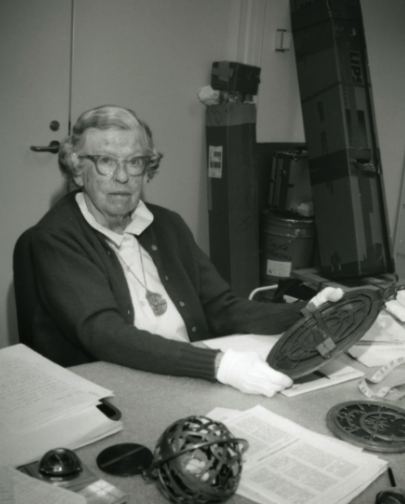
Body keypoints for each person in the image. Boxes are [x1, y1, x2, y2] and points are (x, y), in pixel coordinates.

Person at [15, 105, 343, 397]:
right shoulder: (54, 239)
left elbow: (220, 307)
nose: (122, 176)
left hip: (185, 371)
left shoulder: (167, 224)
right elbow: (104, 335)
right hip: (110, 389)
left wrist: (303, 312)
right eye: (104, 161)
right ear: (76, 167)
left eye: (134, 162)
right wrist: (218, 366)